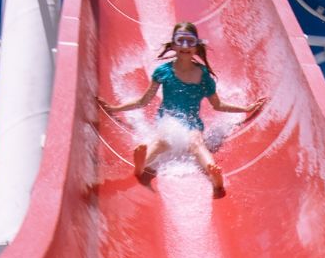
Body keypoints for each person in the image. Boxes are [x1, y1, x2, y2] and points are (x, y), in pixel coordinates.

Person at [95, 22, 265, 199]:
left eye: (190, 41)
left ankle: (213, 174)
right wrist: (114, 108)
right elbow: (143, 101)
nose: (185, 46)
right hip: (167, 121)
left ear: (196, 46)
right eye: (180, 40)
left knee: (196, 143)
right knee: (162, 141)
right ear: (174, 45)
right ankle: (141, 165)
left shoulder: (203, 75)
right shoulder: (163, 72)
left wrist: (246, 109)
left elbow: (218, 105)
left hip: (192, 125)